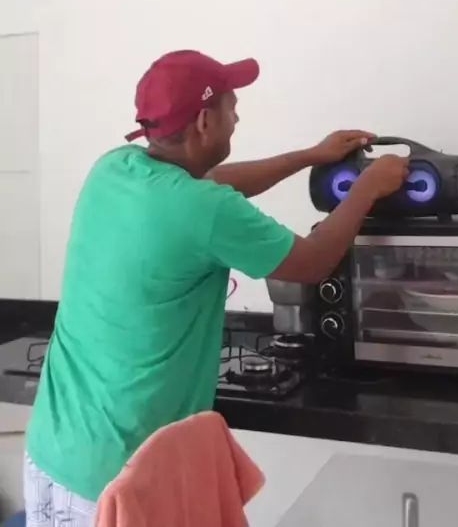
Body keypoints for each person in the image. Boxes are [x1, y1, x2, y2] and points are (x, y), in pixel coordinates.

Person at [25, 50, 409, 526]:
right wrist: (367, 188)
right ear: (206, 121)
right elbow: (311, 263)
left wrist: (309, 156)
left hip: (51, 451)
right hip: (115, 483)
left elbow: (215, 181)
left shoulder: (115, 168)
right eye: (232, 106)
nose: (238, 117)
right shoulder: (203, 209)